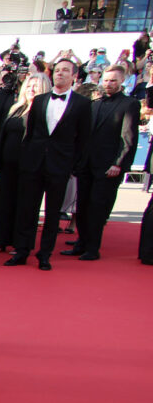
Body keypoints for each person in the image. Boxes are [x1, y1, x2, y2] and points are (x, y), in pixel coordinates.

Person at [8, 57, 91, 270]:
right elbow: (31, 133)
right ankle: (21, 251)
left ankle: (44, 255)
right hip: (33, 164)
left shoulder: (82, 104)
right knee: (27, 210)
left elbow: (83, 138)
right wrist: (27, 158)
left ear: (74, 76)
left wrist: (73, 166)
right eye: (57, 70)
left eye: (65, 71)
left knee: (53, 213)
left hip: (60, 166)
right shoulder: (41, 100)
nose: (60, 74)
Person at [63, 65, 139, 261]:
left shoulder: (129, 104)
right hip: (87, 164)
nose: (108, 84)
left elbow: (128, 138)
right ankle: (81, 243)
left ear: (122, 81)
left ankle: (92, 248)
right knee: (82, 206)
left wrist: (118, 164)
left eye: (113, 80)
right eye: (106, 80)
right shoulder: (94, 103)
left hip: (108, 167)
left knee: (97, 208)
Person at [0, 73, 51, 255]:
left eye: (36, 86)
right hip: (7, 165)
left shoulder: (46, 110)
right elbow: (1, 135)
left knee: (25, 206)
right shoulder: (16, 108)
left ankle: (20, 244)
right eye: (29, 86)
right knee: (2, 202)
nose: (31, 89)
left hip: (31, 166)